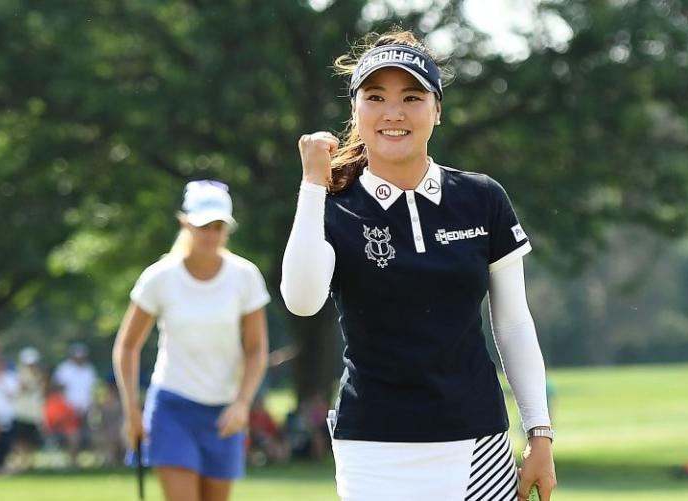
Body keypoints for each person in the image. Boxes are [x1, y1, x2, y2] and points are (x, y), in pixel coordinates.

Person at [281, 30, 557, 501]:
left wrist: (539, 433)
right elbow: (302, 302)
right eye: (375, 97)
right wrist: (311, 184)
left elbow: (512, 322)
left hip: (478, 442)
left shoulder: (482, 198)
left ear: (437, 110)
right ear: (356, 111)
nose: (394, 112)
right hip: (372, 445)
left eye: (412, 97)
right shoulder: (329, 205)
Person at [113, 180, 271, 501]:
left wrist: (242, 403)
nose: (211, 235)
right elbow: (127, 346)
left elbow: (256, 350)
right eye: (203, 226)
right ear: (185, 223)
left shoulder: (245, 277)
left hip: (224, 413)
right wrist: (131, 410)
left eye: (218, 227)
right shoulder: (160, 277)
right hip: (172, 407)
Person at [52, 342, 97, 464]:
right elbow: (59, 390)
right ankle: (72, 461)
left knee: (89, 435)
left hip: (85, 409)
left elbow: (91, 391)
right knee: (72, 436)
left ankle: (87, 461)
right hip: (68, 410)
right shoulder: (64, 369)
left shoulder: (89, 370)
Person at [12, 347, 46, 470]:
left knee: (32, 440)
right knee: (20, 439)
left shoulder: (41, 375)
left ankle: (30, 462)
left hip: (34, 413)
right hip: (22, 411)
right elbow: (22, 388)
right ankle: (21, 461)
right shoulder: (18, 374)